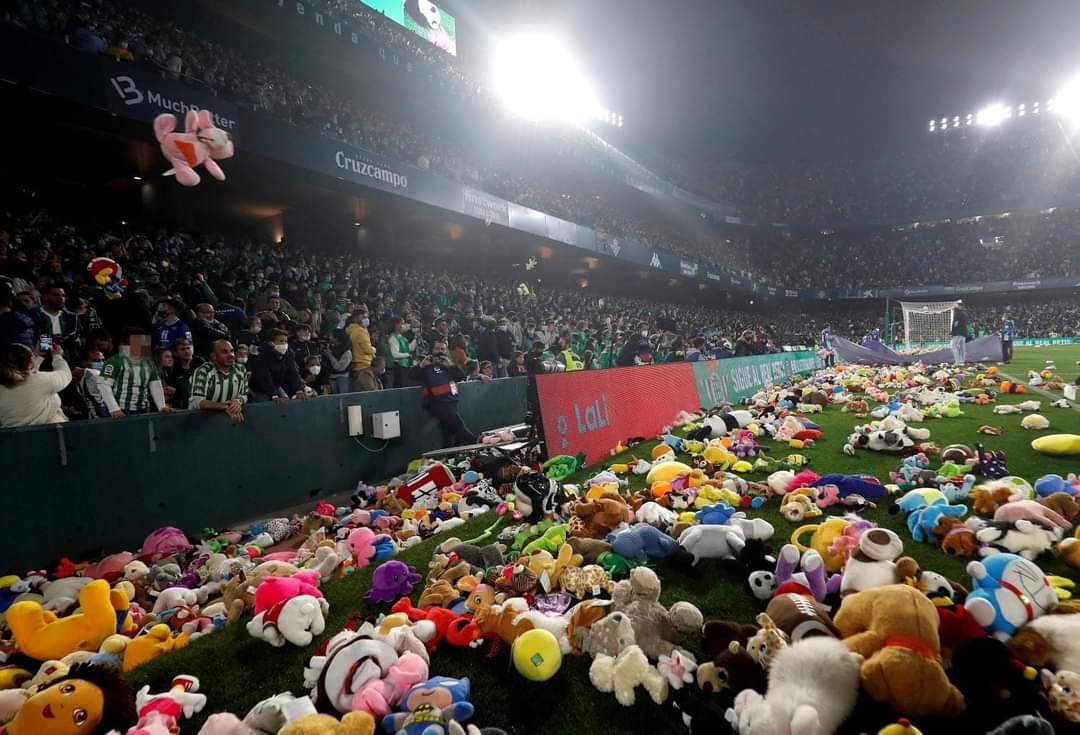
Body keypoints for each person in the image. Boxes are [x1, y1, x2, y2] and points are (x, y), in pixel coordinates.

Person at [409, 340, 474, 448]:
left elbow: (461, 376)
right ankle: (478, 442)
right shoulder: (426, 363)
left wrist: (451, 366)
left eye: (442, 349)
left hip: (451, 402)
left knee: (449, 434)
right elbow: (411, 375)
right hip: (437, 403)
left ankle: (448, 458)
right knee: (459, 428)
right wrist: (421, 365)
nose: (440, 351)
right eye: (437, 348)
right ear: (432, 349)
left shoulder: (448, 363)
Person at [0, 341, 72, 427]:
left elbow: (28, 376)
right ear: (29, 364)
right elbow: (65, 375)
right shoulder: (40, 381)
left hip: (16, 437)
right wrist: (57, 356)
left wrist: (37, 356)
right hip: (53, 432)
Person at [100, 333, 170, 415]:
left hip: (143, 409)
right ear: (126, 345)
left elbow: (155, 384)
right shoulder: (114, 361)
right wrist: (114, 408)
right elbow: (104, 385)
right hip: (121, 409)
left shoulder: (148, 363)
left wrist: (162, 406)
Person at [189, 338, 247, 424]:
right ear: (214, 356)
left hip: (227, 422)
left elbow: (244, 395)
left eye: (231, 351)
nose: (231, 355)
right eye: (224, 352)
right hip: (200, 423)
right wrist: (225, 407)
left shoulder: (240, 369)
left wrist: (237, 402)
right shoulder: (203, 371)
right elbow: (196, 401)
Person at [250, 329, 305, 402]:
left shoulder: (288, 355)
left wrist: (299, 390)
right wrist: (274, 395)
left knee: (286, 402)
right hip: (259, 389)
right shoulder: (262, 357)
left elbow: (293, 372)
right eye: (281, 341)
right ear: (271, 343)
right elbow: (264, 378)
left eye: (286, 341)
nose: (284, 344)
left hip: (276, 386)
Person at [73, 347, 122, 419]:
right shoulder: (91, 374)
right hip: (97, 416)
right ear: (84, 362)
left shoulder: (96, 374)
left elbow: (76, 371)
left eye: (103, 360)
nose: (101, 363)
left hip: (108, 413)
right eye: (96, 360)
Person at [345, 309, 377, 392]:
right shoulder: (360, 331)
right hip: (364, 365)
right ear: (355, 318)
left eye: (366, 317)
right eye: (363, 317)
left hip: (354, 365)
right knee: (368, 393)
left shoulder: (348, 329)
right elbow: (367, 350)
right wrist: (373, 349)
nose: (366, 319)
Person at [324, 329, 353, 395]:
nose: (329, 337)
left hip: (342, 377)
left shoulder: (347, 351)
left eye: (331, 336)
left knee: (343, 398)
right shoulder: (330, 347)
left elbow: (339, 367)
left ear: (337, 338)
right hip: (331, 377)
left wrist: (330, 355)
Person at [387, 317, 413, 391]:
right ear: (396, 325)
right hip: (398, 367)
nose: (403, 325)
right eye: (402, 323)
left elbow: (409, 348)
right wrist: (407, 355)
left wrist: (416, 338)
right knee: (399, 388)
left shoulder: (401, 337)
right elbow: (395, 354)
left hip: (404, 366)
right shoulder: (393, 337)